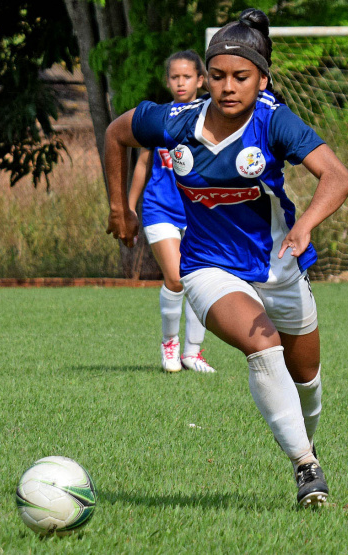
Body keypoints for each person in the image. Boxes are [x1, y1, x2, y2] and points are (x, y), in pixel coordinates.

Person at [104, 9, 348, 507]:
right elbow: (116, 133)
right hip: (207, 267)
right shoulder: (176, 121)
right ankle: (307, 468)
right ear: (205, 79)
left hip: (278, 268)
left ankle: (305, 442)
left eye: (241, 77)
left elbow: (338, 176)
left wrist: (305, 226)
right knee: (262, 348)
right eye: (217, 76)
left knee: (306, 380)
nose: (227, 86)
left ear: (262, 80)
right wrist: (119, 207)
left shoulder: (274, 121)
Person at [128, 51, 215, 374]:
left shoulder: (211, 115)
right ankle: (170, 344)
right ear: (168, 81)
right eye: (175, 77)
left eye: (187, 77)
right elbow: (141, 165)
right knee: (177, 278)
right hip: (159, 208)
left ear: (200, 80)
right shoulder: (159, 118)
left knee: (198, 280)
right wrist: (128, 207)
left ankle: (193, 352)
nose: (181, 82)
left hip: (198, 212)